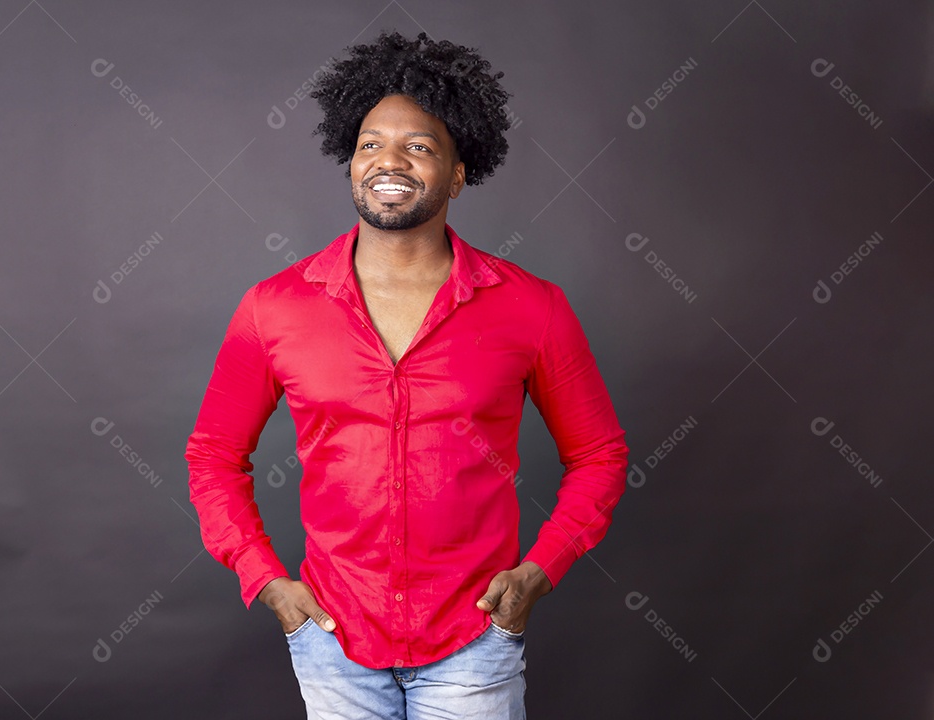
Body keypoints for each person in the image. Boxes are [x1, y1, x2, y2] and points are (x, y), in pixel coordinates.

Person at [184, 29, 628, 719]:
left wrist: (542, 571)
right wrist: (266, 581)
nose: (388, 161)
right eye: (370, 145)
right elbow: (213, 455)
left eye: (418, 146)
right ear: (349, 162)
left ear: (457, 173)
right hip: (332, 640)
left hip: (474, 640)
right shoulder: (274, 307)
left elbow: (599, 455)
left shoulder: (532, 307)